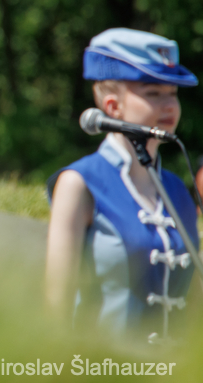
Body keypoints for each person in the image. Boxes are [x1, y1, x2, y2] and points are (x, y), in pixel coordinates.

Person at [45, 28, 199, 343]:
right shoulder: (79, 183)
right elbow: (55, 306)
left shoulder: (178, 192)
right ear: (113, 106)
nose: (169, 105)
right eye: (153, 93)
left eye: (173, 93)